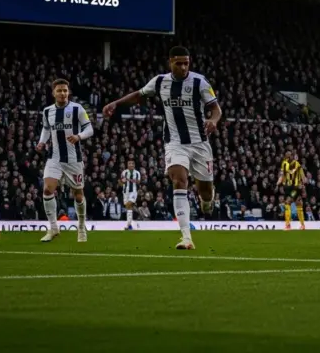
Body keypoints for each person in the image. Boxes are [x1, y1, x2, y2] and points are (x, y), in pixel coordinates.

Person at [103, 46, 221, 250]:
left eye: (186, 63)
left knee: (206, 193)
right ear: (170, 62)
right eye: (179, 63)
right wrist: (116, 103)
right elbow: (139, 95)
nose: (183, 67)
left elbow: (215, 109)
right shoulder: (159, 81)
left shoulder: (199, 82)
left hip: (200, 143)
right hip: (175, 143)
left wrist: (214, 120)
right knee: (179, 181)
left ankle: (207, 200)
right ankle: (186, 237)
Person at [36, 79, 94, 243]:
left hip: (73, 159)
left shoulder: (77, 108)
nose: (62, 93)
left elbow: (89, 128)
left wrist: (79, 136)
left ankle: (81, 228)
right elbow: (46, 129)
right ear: (53, 93)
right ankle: (53, 227)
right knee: (47, 190)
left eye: (65, 90)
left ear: (68, 92)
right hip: (54, 158)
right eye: (59, 90)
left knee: (78, 195)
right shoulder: (47, 111)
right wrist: (42, 142)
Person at [277, 152, 306, 230]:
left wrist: (303, 186)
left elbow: (303, 176)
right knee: (298, 204)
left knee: (287, 203)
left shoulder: (297, 164)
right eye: (287, 155)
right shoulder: (284, 163)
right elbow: (282, 174)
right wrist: (278, 182)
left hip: (295, 187)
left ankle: (288, 225)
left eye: (290, 155)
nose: (288, 156)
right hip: (287, 187)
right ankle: (302, 225)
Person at [121, 160, 142, 229]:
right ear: (127, 165)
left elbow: (138, 182)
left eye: (132, 163)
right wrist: (122, 181)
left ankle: (128, 224)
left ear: (134, 165)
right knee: (128, 208)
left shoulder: (137, 173)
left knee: (129, 205)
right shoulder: (124, 172)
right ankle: (130, 224)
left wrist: (131, 180)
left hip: (133, 192)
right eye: (129, 163)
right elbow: (121, 182)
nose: (131, 165)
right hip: (125, 192)